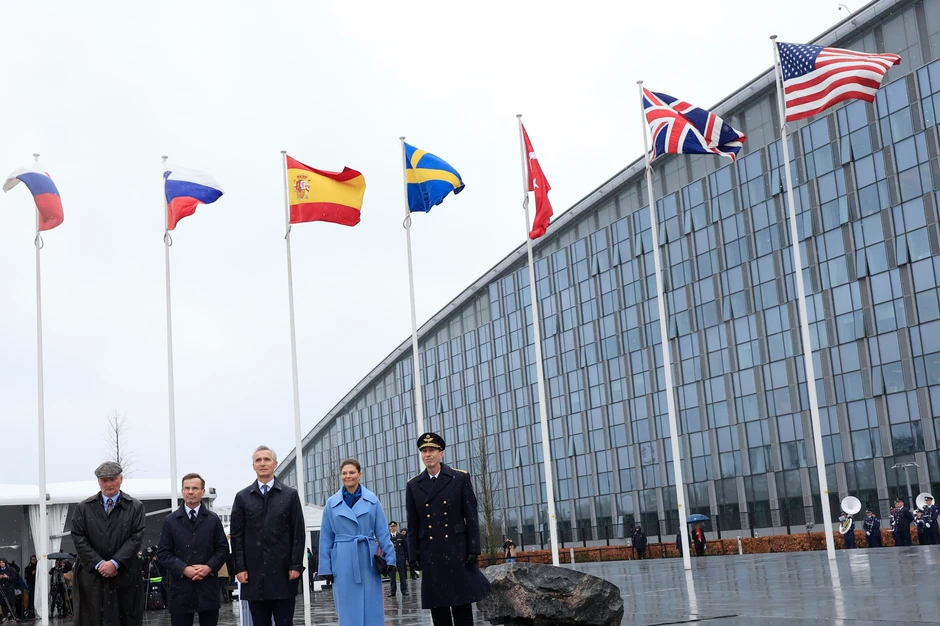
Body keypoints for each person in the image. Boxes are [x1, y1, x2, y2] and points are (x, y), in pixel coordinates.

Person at [406, 432, 490, 626]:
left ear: (441, 453)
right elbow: (413, 524)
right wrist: (413, 555)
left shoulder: (459, 478)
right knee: (439, 609)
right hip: (430, 553)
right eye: (424, 451)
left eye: (432, 450)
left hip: (457, 550)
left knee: (462, 607)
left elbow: (471, 516)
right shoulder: (414, 485)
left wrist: (474, 548)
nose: (428, 454)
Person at [231, 446, 305, 626]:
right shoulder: (242, 497)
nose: (262, 463)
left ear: (275, 464)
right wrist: (239, 568)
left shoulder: (289, 495)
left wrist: (295, 564)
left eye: (266, 459)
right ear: (253, 466)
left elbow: (298, 532)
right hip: (254, 575)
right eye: (258, 460)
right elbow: (237, 536)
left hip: (283, 573)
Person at [319, 458, 395, 625]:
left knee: (372, 606)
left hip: (368, 559)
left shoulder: (372, 500)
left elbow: (382, 532)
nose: (348, 476)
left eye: (352, 472)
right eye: (344, 473)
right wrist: (325, 567)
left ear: (360, 474)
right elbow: (326, 537)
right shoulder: (331, 504)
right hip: (343, 559)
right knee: (347, 607)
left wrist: (390, 559)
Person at [69, 461, 146, 625]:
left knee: (125, 619)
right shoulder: (84, 508)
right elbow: (78, 537)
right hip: (92, 577)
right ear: (98, 481)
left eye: (113, 479)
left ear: (121, 479)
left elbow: (136, 537)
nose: (109, 484)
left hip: (124, 575)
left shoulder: (135, 507)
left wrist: (115, 562)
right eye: (105, 480)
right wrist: (98, 563)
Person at [157, 473, 230, 626]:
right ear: (182, 491)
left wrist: (208, 567)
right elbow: (163, 553)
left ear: (202, 492)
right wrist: (183, 568)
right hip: (181, 589)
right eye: (187, 488)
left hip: (207, 586)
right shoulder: (170, 521)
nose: (190, 492)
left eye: (195, 488)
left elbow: (223, 549)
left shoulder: (213, 519)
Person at [387, 521, 409, 596]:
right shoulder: (387, 537)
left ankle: (404, 590)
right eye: (391, 527)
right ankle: (392, 591)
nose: (392, 528)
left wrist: (406, 558)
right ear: (389, 528)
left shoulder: (400, 536)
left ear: (396, 527)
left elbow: (405, 547)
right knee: (392, 576)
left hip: (400, 558)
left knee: (402, 575)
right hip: (391, 559)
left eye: (394, 526)